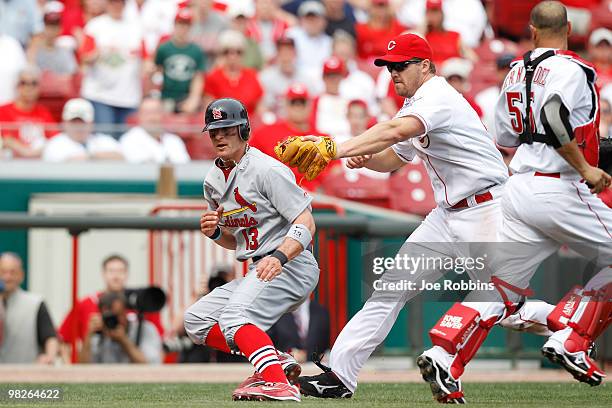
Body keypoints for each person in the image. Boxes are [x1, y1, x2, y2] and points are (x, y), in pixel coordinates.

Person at [277, 33, 554, 400]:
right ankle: (340, 375)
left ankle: (566, 325)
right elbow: (396, 155)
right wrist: (360, 157)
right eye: (389, 66)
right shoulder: (415, 101)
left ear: (425, 66)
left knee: (505, 308)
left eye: (401, 65)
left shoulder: (438, 96)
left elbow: (395, 131)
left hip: (485, 210)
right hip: (446, 216)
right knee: (389, 289)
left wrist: (334, 148)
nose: (394, 72)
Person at [417, 2, 612, 400]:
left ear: (532, 30)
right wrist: (587, 167)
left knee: (503, 286)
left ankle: (445, 353)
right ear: (569, 28)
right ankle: (571, 337)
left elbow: (505, 137)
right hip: (560, 183)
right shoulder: (571, 68)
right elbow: (556, 114)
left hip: (519, 186)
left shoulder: (513, 73)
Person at [183, 98, 320, 401]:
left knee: (234, 317)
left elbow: (306, 222)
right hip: (257, 266)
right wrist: (216, 232)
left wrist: (281, 256)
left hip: (291, 264)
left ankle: (276, 382)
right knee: (196, 320)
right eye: (213, 131)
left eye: (226, 129)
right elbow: (238, 240)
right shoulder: (212, 180)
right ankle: (275, 360)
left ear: (243, 129)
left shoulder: (267, 169)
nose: (219, 136)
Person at [58, 254, 164, 361]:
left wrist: (124, 339)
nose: (116, 276)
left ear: (127, 274)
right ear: (103, 274)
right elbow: (63, 341)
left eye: (120, 271)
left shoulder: (143, 305)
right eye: (111, 271)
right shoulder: (86, 304)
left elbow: (158, 348)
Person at [79, 0, 148, 134]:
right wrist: (97, 54)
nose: (116, 6)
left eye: (120, 3)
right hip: (100, 95)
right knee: (105, 141)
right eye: (113, 2)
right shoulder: (95, 26)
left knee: (129, 141)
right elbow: (84, 58)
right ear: (107, 4)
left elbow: (146, 59)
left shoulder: (136, 27)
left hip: (129, 96)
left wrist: (147, 72)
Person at [0, 252, 58, 364]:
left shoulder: (36, 303)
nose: (7, 277)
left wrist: (49, 357)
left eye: (12, 272)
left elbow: (50, 337)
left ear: (21, 275)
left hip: (25, 375)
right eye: (3, 272)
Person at [78, 291, 162, 364]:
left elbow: (149, 365)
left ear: (126, 313)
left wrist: (124, 341)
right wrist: (89, 334)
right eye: (109, 317)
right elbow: (83, 367)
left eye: (117, 315)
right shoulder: (98, 334)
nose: (114, 321)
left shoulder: (145, 329)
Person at [155, 8, 206, 114]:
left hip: (186, 98)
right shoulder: (164, 48)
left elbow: (198, 77)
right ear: (174, 25)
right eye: (180, 24)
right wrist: (157, 97)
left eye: (186, 25)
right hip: (166, 97)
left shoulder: (196, 50)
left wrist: (194, 98)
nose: (183, 28)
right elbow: (157, 73)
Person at [202, 30, 263, 116]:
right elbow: (209, 109)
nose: (233, 56)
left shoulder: (251, 76)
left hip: (250, 125)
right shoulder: (213, 77)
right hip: (223, 125)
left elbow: (260, 107)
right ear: (222, 54)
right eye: (227, 52)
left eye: (238, 52)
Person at [0, 66, 56, 158]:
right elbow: (6, 140)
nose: (28, 87)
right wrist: (26, 152)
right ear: (17, 86)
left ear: (39, 87)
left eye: (33, 83)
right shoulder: (3, 111)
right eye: (23, 83)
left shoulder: (43, 112)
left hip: (39, 163)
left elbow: (54, 139)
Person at [42, 98, 123, 162]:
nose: (78, 127)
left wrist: (91, 156)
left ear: (91, 124)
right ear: (65, 123)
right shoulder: (55, 144)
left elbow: (121, 157)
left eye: (82, 122)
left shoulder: (102, 140)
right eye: (74, 122)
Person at [119, 97, 190, 164]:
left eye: (156, 112)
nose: (152, 117)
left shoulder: (174, 140)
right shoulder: (129, 139)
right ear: (139, 116)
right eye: (147, 113)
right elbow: (142, 169)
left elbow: (185, 167)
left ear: (163, 114)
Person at [258, 37, 312, 118]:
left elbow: (312, 106)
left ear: (295, 54)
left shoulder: (305, 79)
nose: (286, 56)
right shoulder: (265, 77)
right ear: (277, 55)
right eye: (282, 52)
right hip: (276, 123)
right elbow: (262, 108)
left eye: (289, 51)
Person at [267, 297, 330, 363]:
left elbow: (324, 346)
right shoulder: (275, 311)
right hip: (285, 368)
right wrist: (287, 356)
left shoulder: (321, 311)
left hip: (313, 368)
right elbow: (268, 345)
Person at [286, 1, 332, 85]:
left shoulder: (329, 42)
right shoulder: (292, 36)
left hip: (322, 83)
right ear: (301, 20)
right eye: (308, 18)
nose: (312, 22)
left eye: (315, 18)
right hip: (296, 82)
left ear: (324, 21)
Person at [28, 1, 78, 75]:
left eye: (54, 27)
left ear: (60, 29)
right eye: (48, 26)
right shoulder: (34, 51)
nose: (51, 31)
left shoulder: (65, 51)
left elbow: (72, 75)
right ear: (43, 27)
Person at [475, 53, 516, 139]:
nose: (507, 73)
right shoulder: (483, 98)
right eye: (502, 69)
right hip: (491, 145)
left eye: (510, 69)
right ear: (496, 71)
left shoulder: (528, 96)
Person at [311, 56, 351, 137]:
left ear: (342, 77)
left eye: (336, 76)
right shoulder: (315, 101)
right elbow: (311, 128)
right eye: (329, 76)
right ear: (323, 77)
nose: (333, 79)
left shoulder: (349, 100)